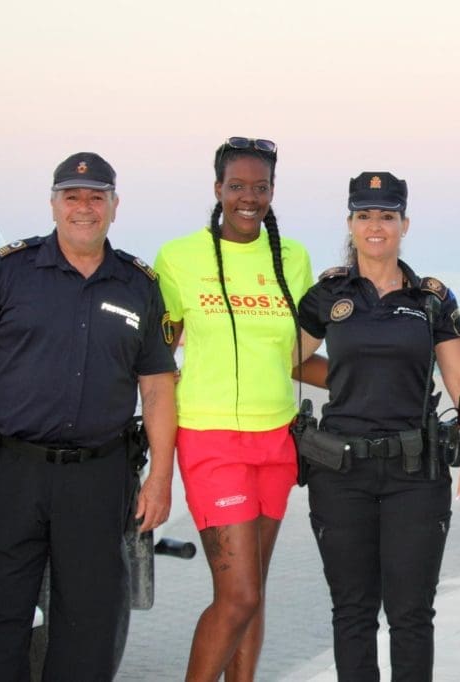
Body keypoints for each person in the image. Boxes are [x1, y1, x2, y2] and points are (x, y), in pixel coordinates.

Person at [0, 152, 178, 681]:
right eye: (72, 197)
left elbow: (158, 385)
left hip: (99, 476)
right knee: (0, 619)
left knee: (89, 625)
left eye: (96, 198)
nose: (83, 208)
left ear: (115, 205)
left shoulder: (138, 283)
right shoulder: (11, 269)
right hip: (12, 472)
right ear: (53, 204)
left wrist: (161, 476)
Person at [295, 171, 460, 681]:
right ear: (350, 223)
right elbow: (290, 359)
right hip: (340, 472)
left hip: (415, 474)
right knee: (353, 611)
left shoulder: (431, 298)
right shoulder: (328, 294)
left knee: (411, 614)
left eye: (386, 216)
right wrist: (345, 376)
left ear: (405, 224)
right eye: (364, 215)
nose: (375, 226)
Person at [153, 137, 314, 681]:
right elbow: (158, 354)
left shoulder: (294, 258)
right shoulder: (179, 257)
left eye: (260, 187)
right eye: (237, 186)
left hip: (277, 439)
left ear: (272, 191)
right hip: (210, 438)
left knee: (254, 592)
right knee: (238, 594)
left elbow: (297, 354)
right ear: (218, 188)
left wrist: (379, 377)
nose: (249, 197)